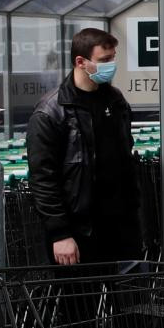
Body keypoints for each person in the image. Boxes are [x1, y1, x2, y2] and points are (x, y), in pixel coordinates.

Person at [27, 28, 147, 265]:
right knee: (81, 299)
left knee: (131, 298)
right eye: (104, 60)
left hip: (121, 225)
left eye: (113, 58)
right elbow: (43, 178)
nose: (111, 65)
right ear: (80, 61)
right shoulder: (51, 112)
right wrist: (60, 233)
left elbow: (125, 156)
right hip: (81, 229)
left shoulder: (116, 100)